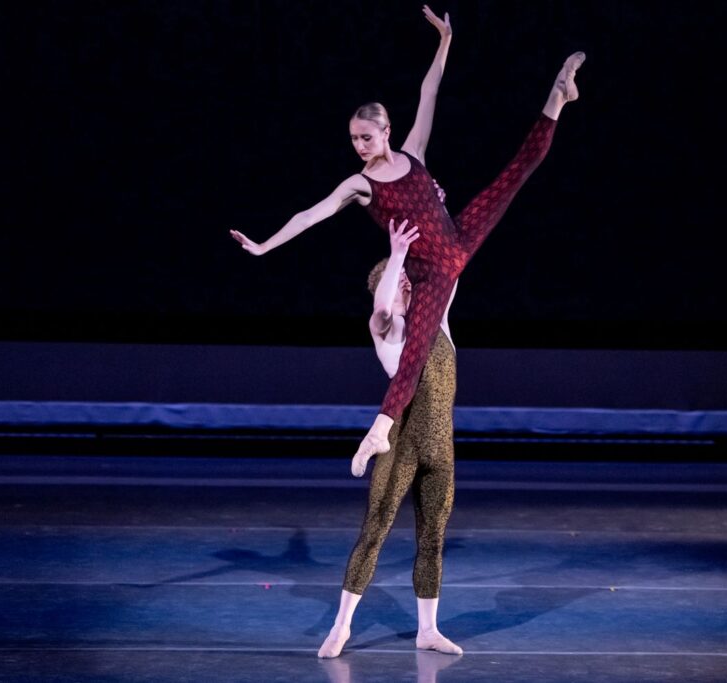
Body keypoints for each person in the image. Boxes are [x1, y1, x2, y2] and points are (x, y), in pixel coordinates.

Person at [229, 6, 584, 480]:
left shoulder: (414, 154)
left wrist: (445, 40)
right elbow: (311, 213)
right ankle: (380, 428)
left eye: (367, 137)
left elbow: (429, 89)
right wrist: (265, 246)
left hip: (456, 240)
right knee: (415, 352)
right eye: (354, 139)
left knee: (513, 175)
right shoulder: (361, 185)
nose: (359, 145)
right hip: (430, 271)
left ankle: (557, 97)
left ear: (386, 132)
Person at [317, 218, 461, 659]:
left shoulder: (438, 324)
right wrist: (396, 256)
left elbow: (449, 268)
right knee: (375, 530)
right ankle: (341, 626)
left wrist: (437, 210)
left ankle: (427, 629)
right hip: (401, 446)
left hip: (442, 451)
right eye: (396, 282)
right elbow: (383, 309)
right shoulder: (388, 330)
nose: (406, 285)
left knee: (432, 537)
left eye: (407, 281)